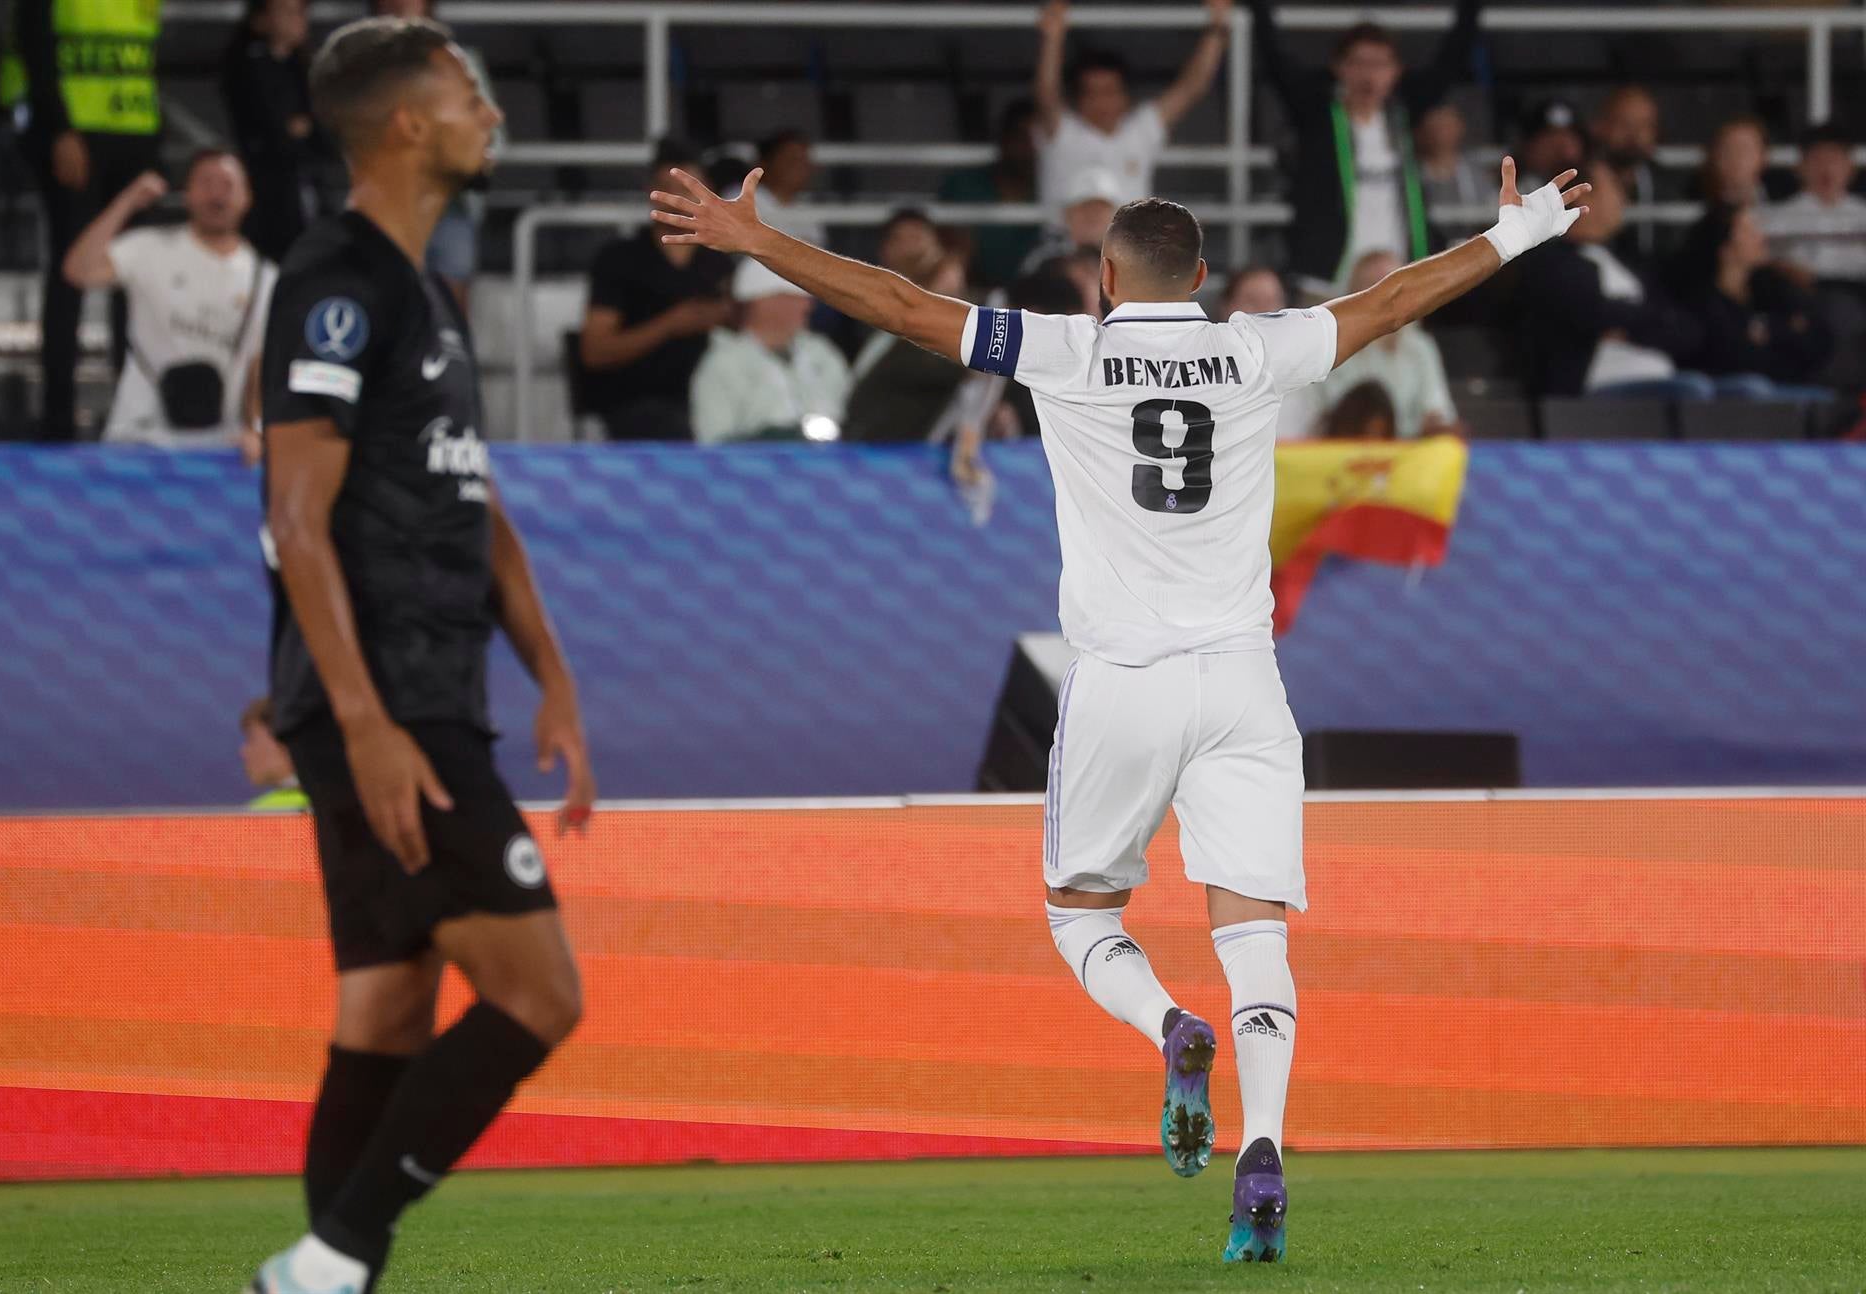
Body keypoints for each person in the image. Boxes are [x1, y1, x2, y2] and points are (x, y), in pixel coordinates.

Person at [652, 149, 1584, 1265]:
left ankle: (1169, 1027)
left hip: (1122, 681)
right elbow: (1391, 303)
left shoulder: (1066, 350)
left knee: (1082, 916)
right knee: (1255, 933)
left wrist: (758, 241)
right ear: (1201, 278)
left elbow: (899, 306)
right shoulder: (1256, 349)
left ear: (1104, 275)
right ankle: (1264, 1147)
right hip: (1242, 680)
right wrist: (1518, 232)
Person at [246, 18, 595, 1294]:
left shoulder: (426, 295)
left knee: (387, 1007)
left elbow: (475, 502)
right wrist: (366, 723)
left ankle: (326, 1275)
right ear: (406, 124)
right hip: (386, 705)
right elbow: (295, 521)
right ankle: (328, 1261)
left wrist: (553, 676)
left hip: (433, 695)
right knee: (540, 994)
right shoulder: (333, 280)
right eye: (467, 95)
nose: (489, 113)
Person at [1, 0, 165, 441]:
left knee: (135, 281)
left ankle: (135, 412)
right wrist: (58, 129)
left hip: (134, 134)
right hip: (76, 134)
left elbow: (143, 62)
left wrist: (154, 142)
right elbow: (36, 49)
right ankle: (58, 417)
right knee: (70, 273)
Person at [1246, 0, 1484, 296]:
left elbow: (1449, 62)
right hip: (1328, 278)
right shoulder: (1317, 114)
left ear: (1396, 71)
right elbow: (1276, 61)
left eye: (1380, 64)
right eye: (1359, 63)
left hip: (1397, 272)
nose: (1369, 75)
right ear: (1339, 67)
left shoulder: (1402, 114)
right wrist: (1258, 9)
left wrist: (1472, 8)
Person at [62, 151, 276, 451]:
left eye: (227, 184)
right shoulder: (148, 248)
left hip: (219, 447)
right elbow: (78, 270)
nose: (216, 194)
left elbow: (259, 366)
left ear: (247, 197)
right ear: (187, 193)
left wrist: (256, 429)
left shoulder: (267, 279)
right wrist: (127, 202)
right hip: (137, 437)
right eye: (206, 183)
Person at [578, 141, 734, 441]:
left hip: (721, 397)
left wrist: (728, 315)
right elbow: (595, 351)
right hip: (640, 402)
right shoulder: (620, 259)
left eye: (689, 189)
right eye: (667, 189)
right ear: (650, 191)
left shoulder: (723, 260)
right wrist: (671, 324)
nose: (678, 200)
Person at [1514, 158, 1704, 398]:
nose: (1624, 199)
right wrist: (1643, 320)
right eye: (1614, 187)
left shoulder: (1629, 260)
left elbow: (1684, 328)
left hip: (1663, 377)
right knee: (1695, 390)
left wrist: (1627, 325)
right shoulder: (1552, 262)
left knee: (1741, 389)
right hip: (1593, 390)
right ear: (1583, 196)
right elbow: (1588, 313)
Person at [1031, 0, 1232, 217]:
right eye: (1091, 92)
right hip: (1065, 239)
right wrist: (1052, 38)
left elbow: (1191, 88)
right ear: (1077, 99)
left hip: (1131, 239)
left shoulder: (1140, 129)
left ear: (1125, 97)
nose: (1100, 101)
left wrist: (1216, 28)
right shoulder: (1062, 131)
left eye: (1109, 91)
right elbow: (1046, 94)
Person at [370, 0, 501, 310]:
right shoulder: (365, 67)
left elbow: (490, 134)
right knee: (389, 303)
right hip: (388, 206)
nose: (401, 4)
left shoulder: (459, 63)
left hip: (449, 205)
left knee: (450, 307)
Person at [1674, 205, 1833, 396]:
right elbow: (1730, 357)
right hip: (1734, 397)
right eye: (1749, 231)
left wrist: (1767, 332)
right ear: (1725, 248)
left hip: (1790, 386)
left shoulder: (1772, 287)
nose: (1761, 237)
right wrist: (1787, 330)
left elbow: (1820, 338)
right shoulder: (1702, 302)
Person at [690, 259, 850, 444]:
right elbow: (714, 441)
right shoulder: (723, 364)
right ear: (763, 301)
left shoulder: (822, 354)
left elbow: (852, 420)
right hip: (755, 461)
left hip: (833, 460)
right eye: (795, 297)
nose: (808, 305)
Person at [844, 210, 971, 442]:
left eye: (918, 239)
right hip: (875, 442)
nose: (912, 250)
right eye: (903, 240)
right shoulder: (876, 329)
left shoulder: (967, 321)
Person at [1314, 251, 1460, 437]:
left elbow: (1438, 410)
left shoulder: (1421, 347)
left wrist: (1437, 424)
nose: (1386, 295)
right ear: (1351, 295)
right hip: (1345, 449)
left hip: (1408, 450)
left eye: (1395, 285)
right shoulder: (1331, 347)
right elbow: (1321, 419)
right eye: (1373, 285)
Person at [224, 0, 324, 262]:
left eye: (301, 11)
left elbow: (322, 130)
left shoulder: (306, 67)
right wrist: (297, 128)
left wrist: (304, 127)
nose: (297, 19)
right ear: (261, 19)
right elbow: (273, 128)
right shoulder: (248, 65)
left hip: (306, 182)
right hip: (267, 189)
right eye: (287, 11)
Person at [938, 100, 1044, 288]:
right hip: (973, 295)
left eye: (1039, 140)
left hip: (1043, 295)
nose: (1030, 148)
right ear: (1004, 139)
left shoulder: (1055, 189)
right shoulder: (964, 185)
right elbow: (955, 256)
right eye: (1022, 137)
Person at [1214, 267, 1319, 440]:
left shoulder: (1306, 376)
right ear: (1225, 307)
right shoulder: (1202, 372)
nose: (1264, 310)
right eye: (1252, 300)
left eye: (1272, 300)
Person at [1762, 123, 1866, 286]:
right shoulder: (1777, 218)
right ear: (1800, 167)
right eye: (1818, 160)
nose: (1827, 169)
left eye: (1834, 160)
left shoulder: (1862, 214)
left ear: (1850, 168)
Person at [1590, 85, 1663, 257]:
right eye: (1624, 123)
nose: (1634, 134)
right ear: (1600, 126)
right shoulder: (1580, 182)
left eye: (1644, 125)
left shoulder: (1671, 187)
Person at [1020, 167, 1123, 275]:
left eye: (1100, 209)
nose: (1092, 216)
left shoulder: (1128, 261)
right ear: (1067, 215)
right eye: (1084, 208)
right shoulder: (1044, 263)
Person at [1414, 101, 1492, 241]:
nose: (1441, 134)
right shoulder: (1412, 176)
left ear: (1460, 128)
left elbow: (1490, 211)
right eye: (1436, 127)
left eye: (1447, 126)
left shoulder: (1474, 173)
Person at [752, 129, 826, 247]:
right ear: (765, 163)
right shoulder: (743, 197)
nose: (801, 168)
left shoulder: (806, 207)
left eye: (804, 161)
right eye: (792, 160)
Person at [241, 696, 309, 810]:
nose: (244, 752)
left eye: (251, 739)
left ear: (284, 742)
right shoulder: (335, 800)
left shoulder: (258, 815)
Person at [1697, 115, 1770, 208]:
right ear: (1713, 155)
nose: (1737, 156)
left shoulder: (1783, 210)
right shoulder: (1695, 208)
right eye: (1728, 149)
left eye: (1745, 149)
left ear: (1763, 155)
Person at [1515, 99, 1585, 192]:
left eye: (1568, 136)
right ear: (1529, 144)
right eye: (1551, 138)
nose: (1562, 149)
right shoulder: (1515, 187)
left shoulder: (1595, 181)